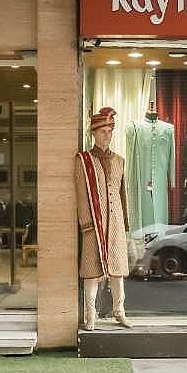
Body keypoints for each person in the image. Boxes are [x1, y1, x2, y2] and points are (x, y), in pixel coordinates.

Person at [75, 107, 131, 329]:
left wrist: (124, 223)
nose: (107, 135)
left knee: (117, 270)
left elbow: (122, 194)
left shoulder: (119, 161)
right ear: (93, 133)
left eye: (110, 131)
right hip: (93, 225)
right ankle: (91, 315)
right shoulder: (84, 160)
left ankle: (120, 312)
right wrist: (86, 223)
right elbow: (81, 194)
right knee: (91, 270)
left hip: (115, 223)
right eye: (102, 131)